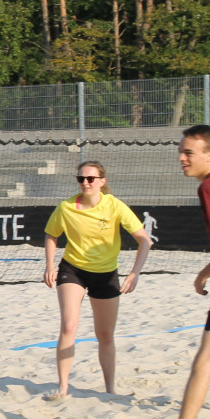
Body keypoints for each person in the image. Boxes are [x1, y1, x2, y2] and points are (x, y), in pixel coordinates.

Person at [42, 160, 151, 398]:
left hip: (106, 272)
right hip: (73, 269)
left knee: (105, 334)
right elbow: (52, 235)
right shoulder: (66, 207)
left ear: (102, 181)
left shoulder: (114, 206)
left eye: (91, 178)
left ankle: (110, 389)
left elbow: (145, 240)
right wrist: (49, 265)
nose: (85, 183)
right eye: (81, 179)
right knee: (69, 325)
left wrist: (135, 273)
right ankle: (62, 388)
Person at [163, 126, 210, 419]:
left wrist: (202, 276)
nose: (182, 157)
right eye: (181, 151)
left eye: (189, 152)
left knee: (203, 363)